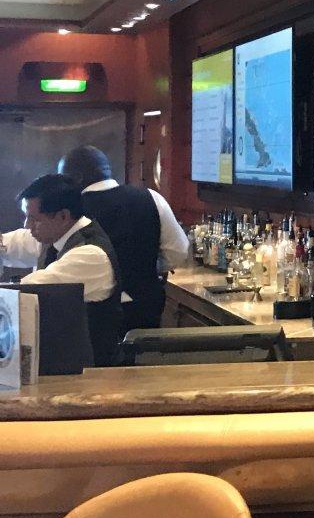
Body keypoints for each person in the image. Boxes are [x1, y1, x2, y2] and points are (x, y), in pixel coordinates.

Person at [57, 146, 189, 332]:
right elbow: (178, 252)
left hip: (91, 314)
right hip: (143, 310)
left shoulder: (68, 211)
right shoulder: (150, 197)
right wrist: (147, 266)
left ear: (77, 178)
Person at [0, 173, 123, 367]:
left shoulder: (89, 255)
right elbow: (14, 243)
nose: (27, 225)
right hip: (61, 360)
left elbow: (26, 291)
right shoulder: (55, 233)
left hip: (90, 370)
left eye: (34, 219)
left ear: (63, 216)